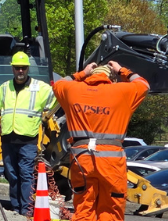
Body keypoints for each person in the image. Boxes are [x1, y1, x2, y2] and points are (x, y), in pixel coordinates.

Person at [53, 61, 148, 221]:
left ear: (91, 75)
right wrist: (122, 69)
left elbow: (58, 83)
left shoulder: (73, 90)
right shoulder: (122, 92)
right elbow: (143, 84)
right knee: (111, 209)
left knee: (83, 207)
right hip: (111, 162)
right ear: (112, 78)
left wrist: (82, 73)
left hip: (82, 158)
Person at [0, 51, 57, 215]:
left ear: (28, 69)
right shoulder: (5, 87)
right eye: (17, 68)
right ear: (13, 68)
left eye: (24, 68)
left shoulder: (39, 87)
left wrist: (47, 115)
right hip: (8, 139)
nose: (21, 71)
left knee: (25, 174)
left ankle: (25, 210)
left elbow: (58, 97)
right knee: (11, 174)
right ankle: (15, 208)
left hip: (27, 141)